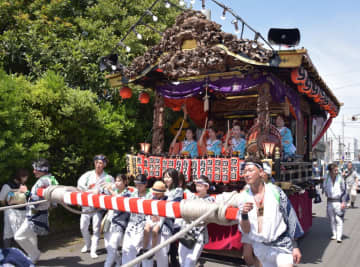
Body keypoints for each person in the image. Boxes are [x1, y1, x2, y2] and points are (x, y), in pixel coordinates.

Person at [238, 157, 303, 267]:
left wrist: (295, 246)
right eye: (244, 172)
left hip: (281, 245)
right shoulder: (243, 197)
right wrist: (244, 215)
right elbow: (246, 230)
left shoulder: (275, 192)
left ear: (261, 172)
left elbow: (290, 216)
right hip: (261, 247)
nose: (247, 174)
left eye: (250, 170)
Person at [14, 158, 58, 264]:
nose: (33, 171)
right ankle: (33, 257)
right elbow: (53, 202)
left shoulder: (43, 181)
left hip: (35, 216)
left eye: (35, 169)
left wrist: (26, 192)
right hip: (37, 214)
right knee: (32, 238)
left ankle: (34, 254)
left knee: (18, 236)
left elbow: (37, 201)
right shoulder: (51, 179)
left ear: (42, 170)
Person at [77, 154, 114, 258]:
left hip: (98, 208)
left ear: (104, 165)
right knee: (83, 226)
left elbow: (111, 190)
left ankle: (94, 249)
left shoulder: (108, 178)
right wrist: (90, 191)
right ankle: (87, 244)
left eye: (101, 163)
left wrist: (101, 191)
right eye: (97, 162)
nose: (98, 165)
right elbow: (80, 186)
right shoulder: (88, 175)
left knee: (96, 228)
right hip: (86, 205)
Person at [178, 175, 215, 267]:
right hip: (187, 231)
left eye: (200, 186)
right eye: (197, 186)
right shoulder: (192, 197)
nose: (197, 188)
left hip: (199, 233)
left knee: (191, 260)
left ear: (206, 187)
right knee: (182, 260)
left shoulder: (211, 200)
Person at [121, 174, 152, 267]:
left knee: (135, 247)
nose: (138, 187)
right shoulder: (133, 194)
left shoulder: (150, 195)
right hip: (132, 222)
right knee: (126, 247)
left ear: (145, 184)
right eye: (136, 184)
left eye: (140, 184)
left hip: (143, 223)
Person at [103, 174, 133, 267]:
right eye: (116, 180)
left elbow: (120, 201)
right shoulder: (114, 191)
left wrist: (111, 190)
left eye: (119, 181)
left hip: (119, 223)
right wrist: (105, 187)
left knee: (112, 246)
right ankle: (118, 261)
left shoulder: (128, 193)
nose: (117, 183)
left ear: (125, 182)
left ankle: (107, 265)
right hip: (109, 220)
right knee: (108, 246)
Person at [0, 168, 29, 248]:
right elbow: (2, 199)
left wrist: (26, 192)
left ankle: (19, 253)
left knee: (20, 233)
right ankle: (7, 253)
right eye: (25, 177)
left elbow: (28, 197)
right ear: (20, 176)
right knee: (8, 233)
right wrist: (8, 208)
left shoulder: (22, 186)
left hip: (22, 212)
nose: (26, 179)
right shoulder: (7, 186)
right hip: (11, 212)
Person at [140, 181, 167, 256]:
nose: (155, 194)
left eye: (157, 193)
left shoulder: (166, 199)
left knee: (155, 231)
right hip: (152, 216)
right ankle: (144, 248)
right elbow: (149, 208)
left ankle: (152, 250)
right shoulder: (152, 198)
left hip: (160, 217)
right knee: (146, 229)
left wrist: (158, 216)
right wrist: (151, 215)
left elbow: (165, 211)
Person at [323, 163, 347, 243]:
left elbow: (344, 190)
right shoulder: (326, 178)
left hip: (338, 201)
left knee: (339, 219)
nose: (337, 172)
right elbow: (324, 188)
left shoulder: (340, 178)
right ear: (330, 171)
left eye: (337, 170)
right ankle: (334, 234)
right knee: (332, 219)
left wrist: (343, 201)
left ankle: (339, 237)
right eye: (335, 170)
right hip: (330, 201)